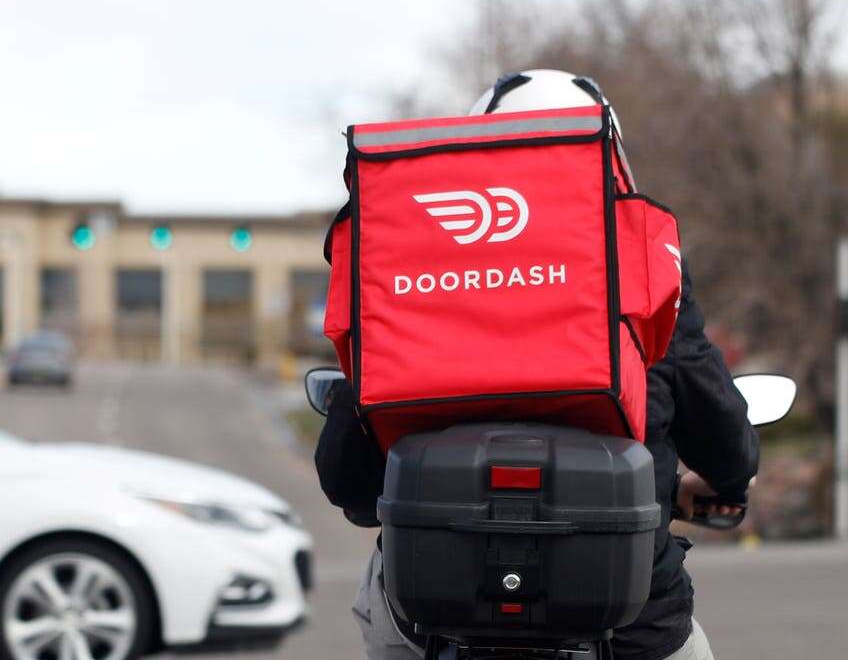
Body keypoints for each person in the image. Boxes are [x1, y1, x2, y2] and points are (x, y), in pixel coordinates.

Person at [315, 69, 760, 660]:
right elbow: (725, 438)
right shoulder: (642, 266)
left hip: (434, 621)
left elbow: (345, 480)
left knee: (383, 608)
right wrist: (726, 481)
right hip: (629, 627)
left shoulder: (412, 276)